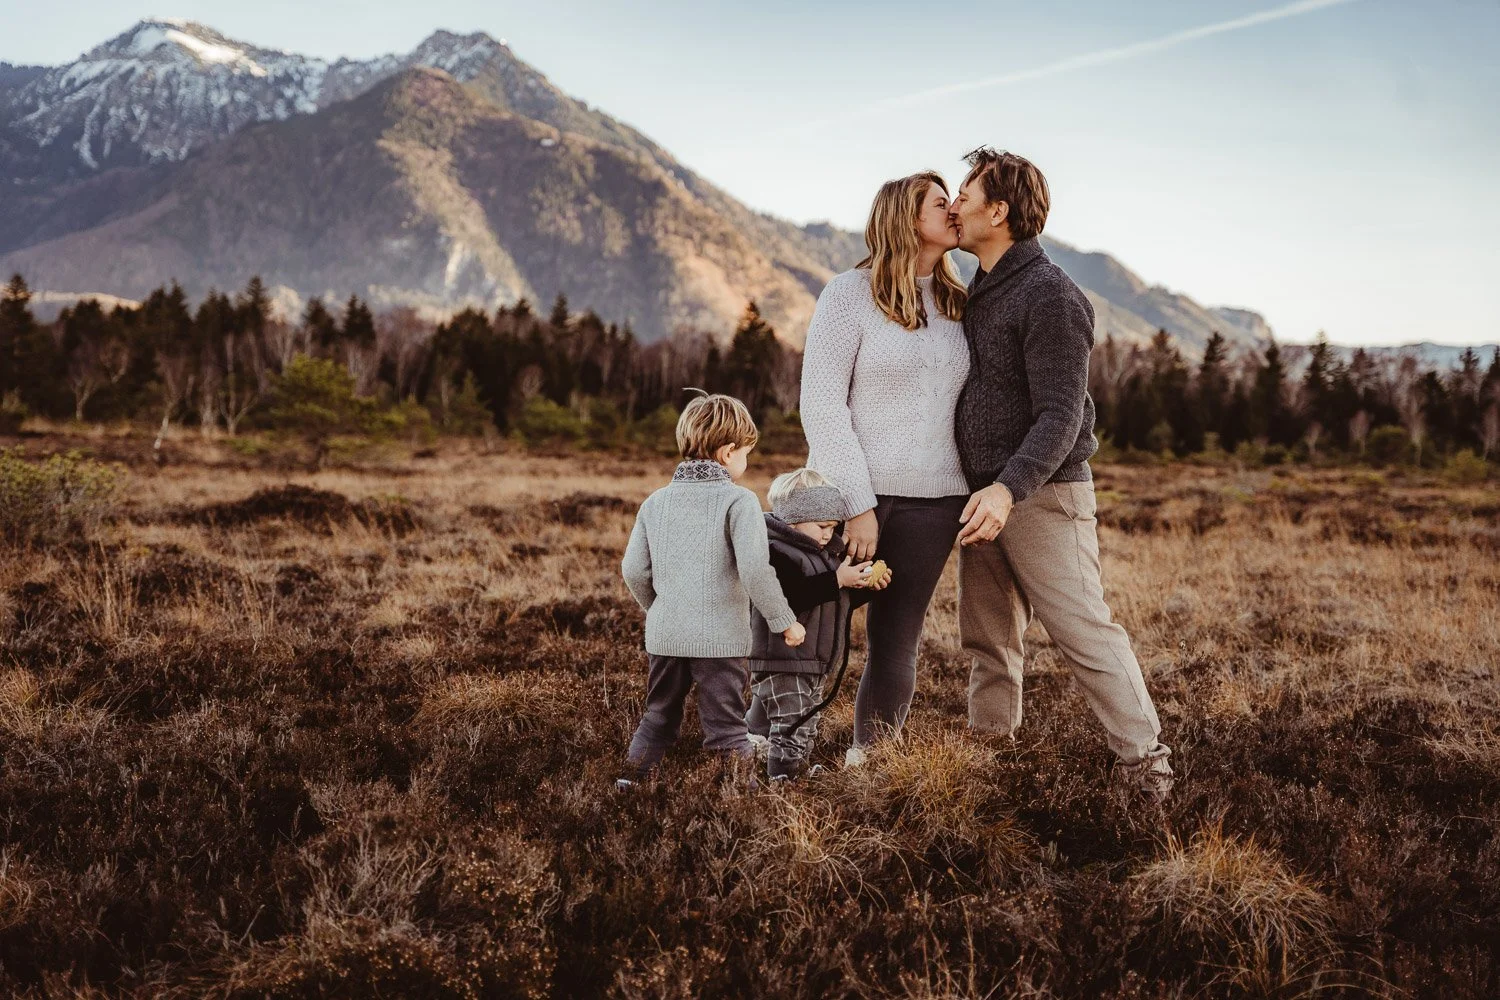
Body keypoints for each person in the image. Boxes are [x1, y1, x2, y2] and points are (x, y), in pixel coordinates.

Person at [948, 146, 1175, 801]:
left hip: (1041, 497)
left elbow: (1061, 416)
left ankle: (1147, 773)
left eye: (966, 193)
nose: (956, 203)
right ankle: (990, 764)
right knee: (988, 639)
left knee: (1084, 632)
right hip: (985, 501)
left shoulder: (1050, 295)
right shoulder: (983, 290)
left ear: (1000, 210)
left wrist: (1005, 489)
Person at [799, 170, 973, 765]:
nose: (954, 211)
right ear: (905, 216)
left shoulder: (959, 302)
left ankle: (869, 765)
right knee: (810, 633)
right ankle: (763, 742)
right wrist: (859, 504)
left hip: (936, 503)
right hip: (850, 501)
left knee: (896, 644)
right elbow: (821, 403)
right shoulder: (848, 295)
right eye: (940, 203)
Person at [617, 393, 806, 788]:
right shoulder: (739, 501)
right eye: (746, 454)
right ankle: (745, 802)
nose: (746, 463)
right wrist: (784, 621)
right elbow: (755, 570)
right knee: (726, 730)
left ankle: (632, 783)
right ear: (727, 452)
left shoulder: (655, 502)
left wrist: (662, 610)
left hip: (666, 636)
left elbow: (633, 570)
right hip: (719, 642)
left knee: (657, 717)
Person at [744, 468, 893, 782]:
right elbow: (789, 597)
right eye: (823, 526)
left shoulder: (821, 555)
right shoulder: (775, 552)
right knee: (791, 724)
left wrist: (862, 585)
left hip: (811, 661)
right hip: (783, 660)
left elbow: (830, 602)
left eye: (833, 526)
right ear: (795, 519)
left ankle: (792, 772)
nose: (829, 534)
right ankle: (782, 778)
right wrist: (838, 579)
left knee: (806, 721)